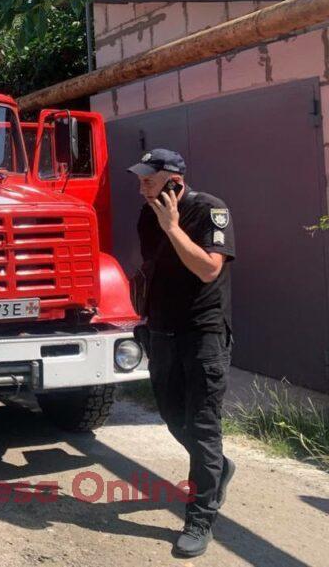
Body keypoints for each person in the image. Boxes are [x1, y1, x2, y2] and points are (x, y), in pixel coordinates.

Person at [128, 148, 236, 558]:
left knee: (204, 426)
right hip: (162, 332)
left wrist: (172, 226)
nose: (141, 189)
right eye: (140, 181)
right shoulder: (146, 214)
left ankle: (201, 516)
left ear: (174, 181)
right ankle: (218, 468)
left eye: (149, 181)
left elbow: (209, 269)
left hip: (203, 334)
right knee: (174, 417)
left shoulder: (212, 211)